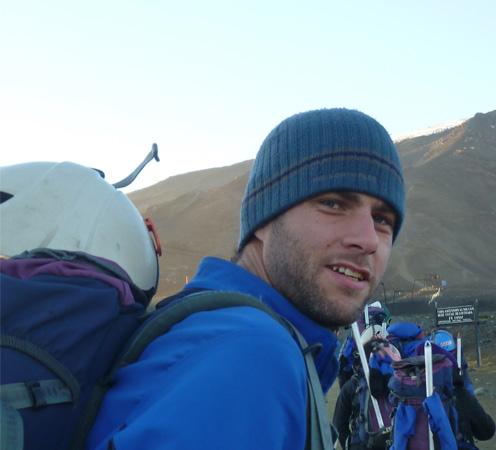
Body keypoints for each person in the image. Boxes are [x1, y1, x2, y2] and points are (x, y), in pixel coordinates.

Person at [87, 108, 405, 449]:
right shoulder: (251, 353)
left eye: (383, 219)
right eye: (332, 203)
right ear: (263, 220)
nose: (368, 239)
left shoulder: (212, 327)